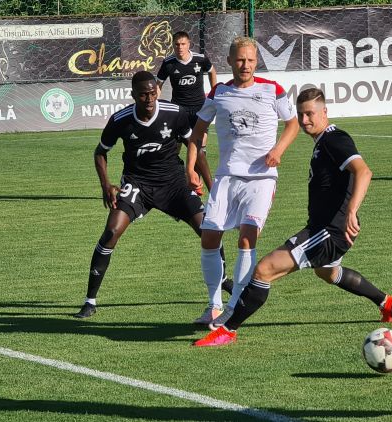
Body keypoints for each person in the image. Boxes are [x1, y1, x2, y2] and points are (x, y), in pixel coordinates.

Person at [193, 88, 392, 347]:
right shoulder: (323, 142)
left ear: (324, 112)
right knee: (328, 273)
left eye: (310, 114)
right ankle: (386, 302)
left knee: (263, 270)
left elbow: (364, 172)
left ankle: (227, 329)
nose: (305, 121)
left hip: (328, 231)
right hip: (328, 230)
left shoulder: (334, 139)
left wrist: (351, 210)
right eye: (301, 115)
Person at [74, 71, 219, 320]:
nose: (149, 98)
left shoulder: (175, 113)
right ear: (133, 95)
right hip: (137, 183)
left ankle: (221, 285)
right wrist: (106, 185)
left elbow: (195, 146)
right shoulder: (120, 120)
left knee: (208, 231)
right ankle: (90, 301)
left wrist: (209, 185)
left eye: (153, 93)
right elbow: (100, 152)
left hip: (173, 183)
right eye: (143, 94)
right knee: (111, 231)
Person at [185, 36, 299, 326]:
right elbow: (196, 134)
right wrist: (191, 169)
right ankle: (213, 305)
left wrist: (278, 149)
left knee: (247, 237)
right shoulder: (218, 93)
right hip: (226, 177)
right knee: (209, 237)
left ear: (256, 61)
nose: (245, 65)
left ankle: (234, 305)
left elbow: (293, 123)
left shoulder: (273, 90)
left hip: (261, 178)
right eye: (239, 59)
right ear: (229, 61)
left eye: (249, 60)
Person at [157, 31, 217, 196]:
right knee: (173, 148)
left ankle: (195, 183)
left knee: (199, 149)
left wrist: (214, 92)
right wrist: (155, 104)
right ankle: (170, 180)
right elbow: (158, 85)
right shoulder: (169, 63)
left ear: (189, 44)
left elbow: (212, 71)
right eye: (177, 44)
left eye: (183, 44)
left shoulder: (200, 59)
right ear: (173, 45)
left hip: (200, 109)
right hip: (179, 110)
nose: (180, 47)